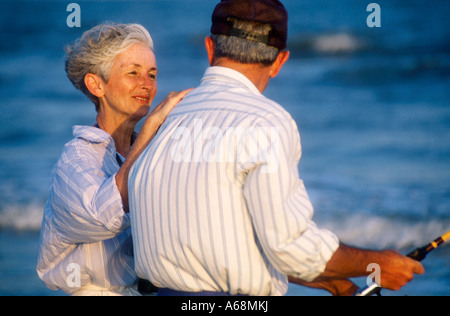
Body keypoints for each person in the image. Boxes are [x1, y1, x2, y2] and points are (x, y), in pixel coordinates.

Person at [128, 0, 424, 296]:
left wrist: (332, 281)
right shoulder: (266, 122)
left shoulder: (165, 119)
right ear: (280, 61)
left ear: (209, 48)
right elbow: (288, 247)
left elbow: (212, 241)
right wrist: (377, 262)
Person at [36, 22, 191, 296]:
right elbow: (106, 215)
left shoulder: (154, 149)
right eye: (133, 73)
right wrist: (153, 126)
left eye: (152, 75)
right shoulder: (74, 159)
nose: (147, 85)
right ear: (96, 85)